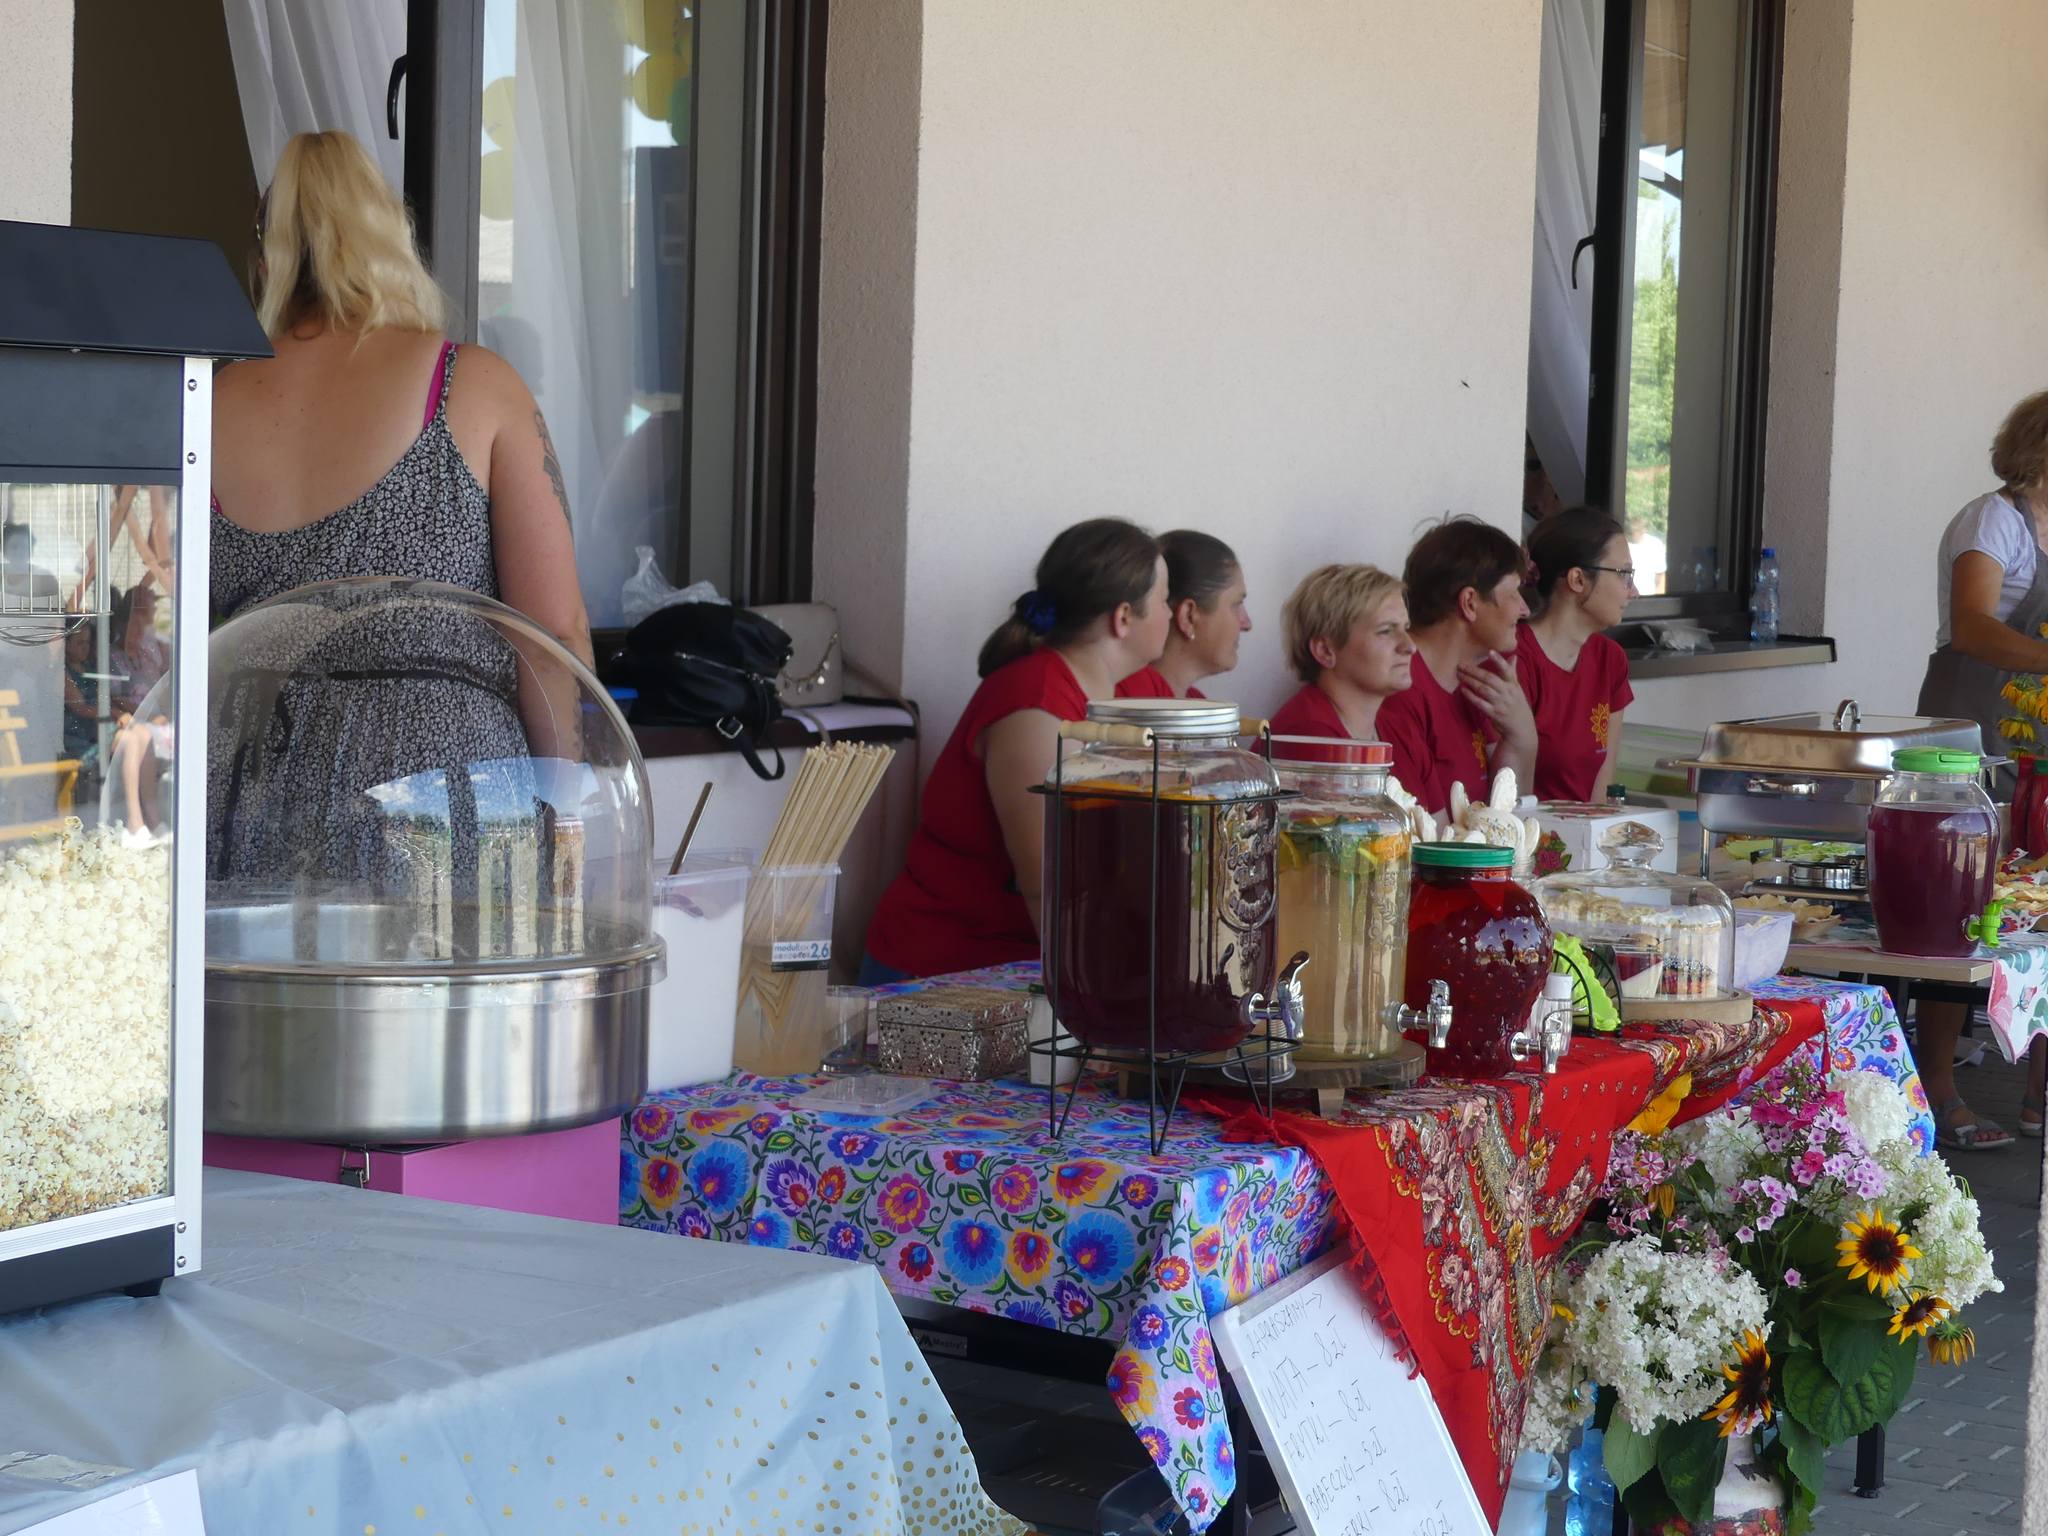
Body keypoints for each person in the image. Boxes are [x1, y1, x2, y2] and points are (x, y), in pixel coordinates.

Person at [207, 129, 589, 890]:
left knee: (270, 974)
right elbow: (552, 637)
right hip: (442, 791)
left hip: (256, 788)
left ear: (266, 259)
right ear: (393, 238)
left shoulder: (208, 399)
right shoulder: (473, 385)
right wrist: (570, 811)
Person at [863, 519, 1170, 981]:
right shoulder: (1035, 704)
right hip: (947, 975)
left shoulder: (1120, 689)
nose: (1170, 614)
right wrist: (1107, 1003)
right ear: (1123, 617)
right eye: (1164, 600)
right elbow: (1052, 884)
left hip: (1023, 964)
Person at [1912, 390, 2048, 1148]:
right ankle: (1938, 1085)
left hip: (2038, 740)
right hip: (1972, 734)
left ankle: (2037, 1090)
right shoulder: (1992, 520)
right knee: (1960, 906)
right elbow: (1972, 625)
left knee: (2041, 907)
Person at [1377, 516, 1534, 818]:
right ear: (1470, 603)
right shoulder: (1401, 687)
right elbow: (1424, 835)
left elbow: (1509, 823)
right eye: (1514, 593)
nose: (1524, 609)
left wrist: (1522, 739)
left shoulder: (1476, 683)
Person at [1517, 508, 1636, 802]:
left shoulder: (1611, 660)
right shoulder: (1517, 658)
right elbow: (1508, 795)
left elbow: (1601, 796)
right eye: (1624, 574)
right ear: (1578, 579)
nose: (1633, 591)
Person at [1268, 564, 1412, 740]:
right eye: (1385, 631)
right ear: (1325, 651)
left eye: (1406, 628)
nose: (1410, 646)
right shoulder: (1308, 735)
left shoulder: (1400, 731)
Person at [1116, 530, 1249, 700]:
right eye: (1236, 604)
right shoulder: (1123, 703)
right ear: (1188, 617)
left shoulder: (1198, 703)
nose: (1247, 623)